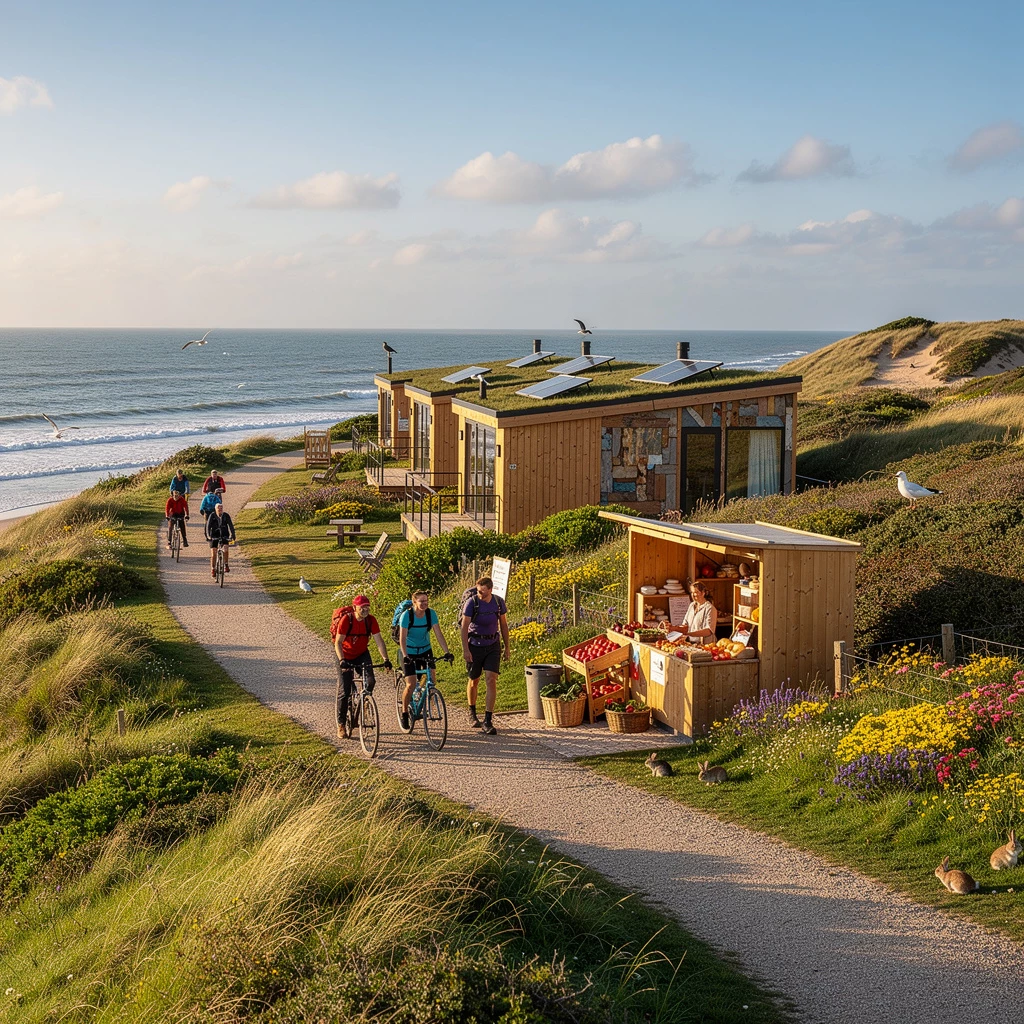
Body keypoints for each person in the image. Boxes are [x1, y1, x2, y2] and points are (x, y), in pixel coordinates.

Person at [333, 595, 391, 738]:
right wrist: (342, 660)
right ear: (354, 608)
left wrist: (386, 659)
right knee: (345, 690)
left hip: (362, 654)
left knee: (370, 681)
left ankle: (365, 702)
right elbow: (338, 643)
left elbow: (379, 641)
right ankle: (341, 724)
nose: (365, 610)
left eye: (367, 607)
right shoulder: (346, 620)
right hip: (345, 655)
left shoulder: (371, 620)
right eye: (362, 607)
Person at [461, 576, 510, 736]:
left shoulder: (498, 602)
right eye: (478, 591)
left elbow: (503, 625)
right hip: (475, 645)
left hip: (493, 645)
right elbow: (464, 627)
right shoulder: (472, 603)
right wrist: (466, 650)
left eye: (482, 592)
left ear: (490, 589)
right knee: (474, 680)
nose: (479, 594)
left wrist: (507, 647)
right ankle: (472, 712)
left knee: (491, 679)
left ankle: (488, 720)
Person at [398, 591, 454, 731]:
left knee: (432, 679)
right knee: (410, 684)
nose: (424, 603)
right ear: (414, 602)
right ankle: (405, 713)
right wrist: (405, 655)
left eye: (426, 601)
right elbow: (402, 638)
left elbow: (438, 634)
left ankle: (422, 693)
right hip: (409, 651)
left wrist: (446, 652)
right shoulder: (407, 616)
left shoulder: (430, 614)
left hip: (425, 649)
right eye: (421, 601)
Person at [205, 501, 235, 576]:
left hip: (224, 534)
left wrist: (233, 535)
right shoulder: (212, 516)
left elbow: (231, 526)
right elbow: (208, 526)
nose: (220, 509)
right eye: (218, 508)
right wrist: (208, 536)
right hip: (214, 535)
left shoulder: (226, 516)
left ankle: (226, 564)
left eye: (221, 508)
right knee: (213, 552)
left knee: (225, 549)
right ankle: (213, 568)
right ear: (215, 509)